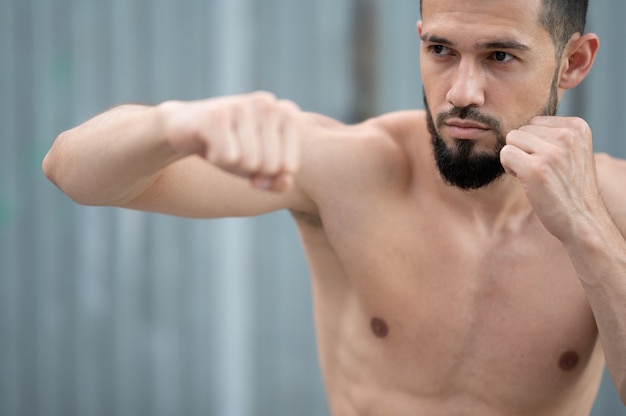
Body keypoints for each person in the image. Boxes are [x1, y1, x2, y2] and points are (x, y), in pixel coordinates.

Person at [43, 0, 626, 414]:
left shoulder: (611, 205)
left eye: (500, 56)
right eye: (441, 50)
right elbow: (70, 171)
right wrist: (170, 124)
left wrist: (589, 234)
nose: (461, 92)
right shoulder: (354, 167)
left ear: (573, 62)